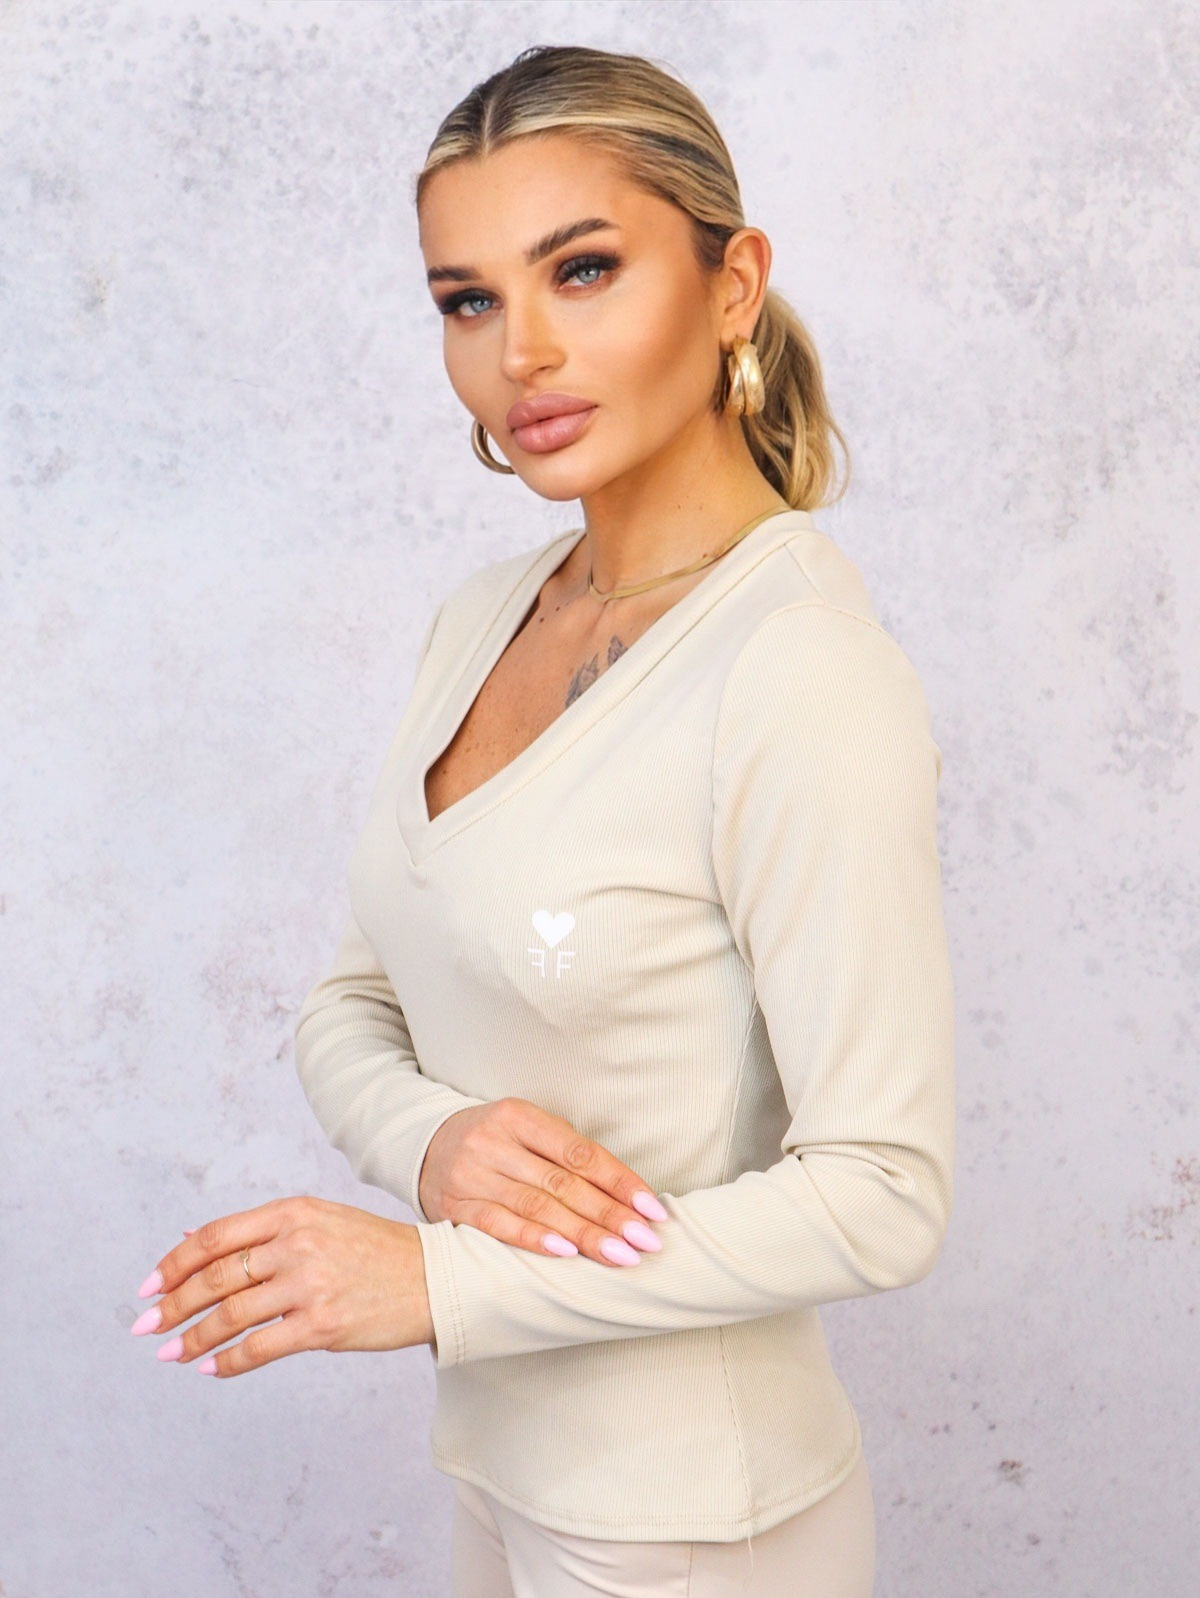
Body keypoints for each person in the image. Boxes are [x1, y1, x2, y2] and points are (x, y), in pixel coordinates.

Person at [130, 44, 955, 1598]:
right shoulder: (482, 617)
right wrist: (435, 1145)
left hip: (695, 1527)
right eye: (468, 299)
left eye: (583, 270)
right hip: (508, 1478)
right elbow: (352, 1000)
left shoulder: (796, 670)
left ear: (732, 284)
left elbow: (884, 1194)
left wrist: (438, 1283)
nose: (523, 352)